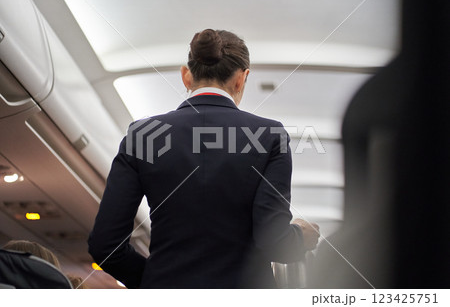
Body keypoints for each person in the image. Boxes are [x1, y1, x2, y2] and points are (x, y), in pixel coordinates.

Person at [88, 29, 320, 288]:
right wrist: (301, 236)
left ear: (186, 76)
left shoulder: (143, 135)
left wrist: (156, 281)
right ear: (241, 79)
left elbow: (104, 245)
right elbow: (274, 242)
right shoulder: (270, 136)